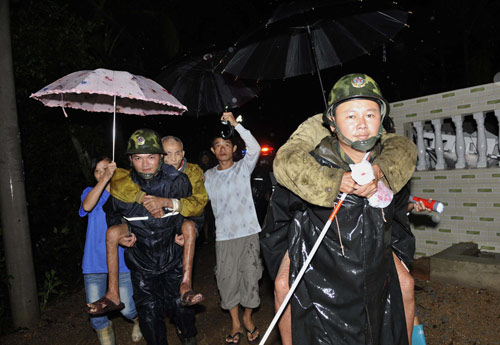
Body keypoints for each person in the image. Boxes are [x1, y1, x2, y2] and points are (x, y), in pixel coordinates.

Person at [264, 73, 417, 344]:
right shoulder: (311, 164)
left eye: (370, 115)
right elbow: (279, 216)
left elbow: (399, 215)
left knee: (405, 284)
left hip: (374, 256)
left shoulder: (390, 160)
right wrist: (331, 184)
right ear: (332, 124)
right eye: (350, 116)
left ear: (381, 120)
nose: (361, 125)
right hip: (319, 259)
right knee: (283, 288)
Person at [87, 137, 207, 317]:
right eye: (167, 154)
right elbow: (113, 206)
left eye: (176, 154)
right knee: (112, 232)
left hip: (174, 234)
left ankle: (186, 285)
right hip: (142, 237)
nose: (172, 159)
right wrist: (143, 200)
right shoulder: (135, 176)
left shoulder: (191, 174)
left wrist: (167, 204)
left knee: (189, 226)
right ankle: (113, 294)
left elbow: (198, 205)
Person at [102, 129, 197, 345]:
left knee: (182, 314)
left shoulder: (178, 182)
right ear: (130, 159)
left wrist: (184, 230)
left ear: (160, 157)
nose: (145, 164)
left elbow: (195, 213)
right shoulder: (122, 188)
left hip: (173, 262)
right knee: (149, 319)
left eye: (151, 157)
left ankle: (189, 337)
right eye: (138, 158)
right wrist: (121, 233)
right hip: (142, 266)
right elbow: (112, 214)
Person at [204, 112, 263, 345]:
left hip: (248, 233)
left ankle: (248, 318)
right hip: (224, 238)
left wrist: (235, 124)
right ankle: (236, 323)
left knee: (251, 278)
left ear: (234, 148)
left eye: (226, 145)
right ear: (212, 151)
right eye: (217, 146)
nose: (222, 149)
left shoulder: (243, 168)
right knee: (226, 281)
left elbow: (255, 148)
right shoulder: (207, 177)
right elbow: (195, 201)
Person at [79, 157, 142, 345]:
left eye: (105, 168)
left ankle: (137, 320)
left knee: (126, 308)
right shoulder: (89, 192)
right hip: (93, 262)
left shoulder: (123, 193)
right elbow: (87, 206)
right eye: (97, 171)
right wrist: (105, 179)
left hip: (120, 260)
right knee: (96, 314)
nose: (101, 172)